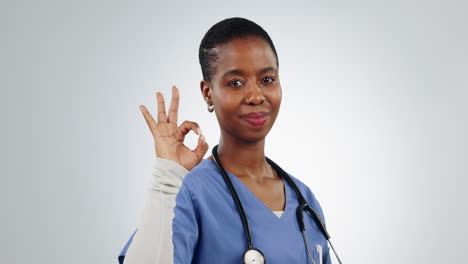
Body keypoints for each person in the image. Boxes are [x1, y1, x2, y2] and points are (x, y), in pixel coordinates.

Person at [118, 17, 333, 264]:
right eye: (236, 83)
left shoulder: (304, 200)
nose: (255, 96)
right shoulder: (188, 190)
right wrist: (166, 178)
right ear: (208, 93)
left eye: (267, 80)